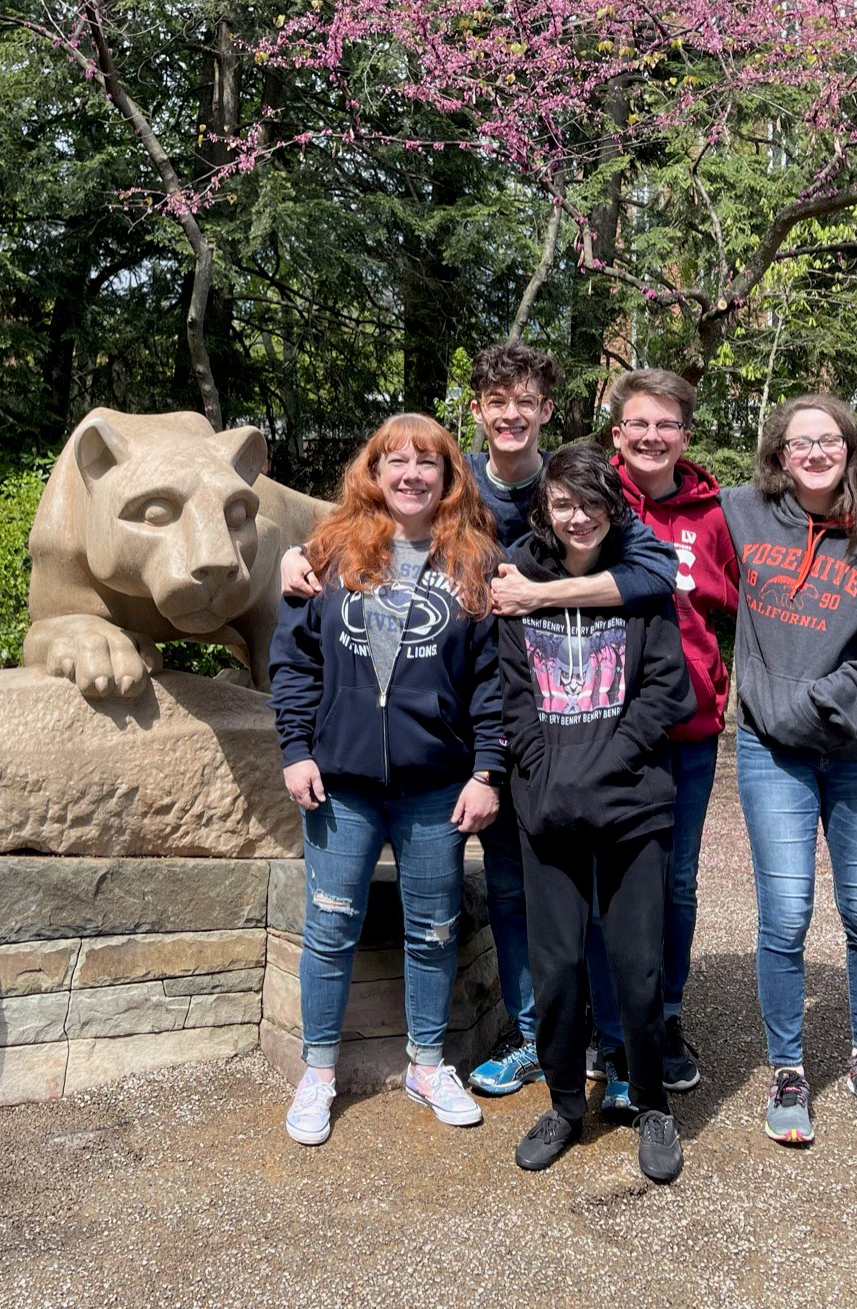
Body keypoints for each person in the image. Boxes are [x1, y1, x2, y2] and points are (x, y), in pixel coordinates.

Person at [279, 343, 679, 1100]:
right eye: (498, 401)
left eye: (525, 401)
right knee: (512, 894)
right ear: (479, 411)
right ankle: (536, 1034)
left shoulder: (567, 483)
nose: (511, 414)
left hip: (560, 742)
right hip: (490, 749)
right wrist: (296, 557)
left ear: (545, 411)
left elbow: (653, 572)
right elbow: (344, 562)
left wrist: (537, 600)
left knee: (601, 900)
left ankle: (613, 1041)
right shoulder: (434, 479)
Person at [268, 414, 507, 1146]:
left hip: (436, 785)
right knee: (331, 924)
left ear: (447, 475)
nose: (409, 474)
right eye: (393, 461)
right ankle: (317, 1072)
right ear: (371, 472)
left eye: (425, 463)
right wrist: (295, 749)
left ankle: (427, 1063)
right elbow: (294, 662)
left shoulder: (475, 562)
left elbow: (493, 680)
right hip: (339, 782)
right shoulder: (328, 552)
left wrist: (486, 769)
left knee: (433, 929)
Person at [721, 393, 857, 1146]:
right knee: (785, 913)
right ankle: (787, 1068)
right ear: (777, 451)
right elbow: (646, 519)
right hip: (770, 753)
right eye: (799, 440)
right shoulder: (740, 513)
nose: (813, 451)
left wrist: (802, 707)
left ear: (849, 447)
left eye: (826, 438)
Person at [498, 441, 695, 1184]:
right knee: (554, 970)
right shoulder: (517, 586)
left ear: (612, 508)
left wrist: (606, 765)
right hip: (545, 805)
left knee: (636, 967)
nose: (577, 516)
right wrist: (546, 776)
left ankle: (649, 1104)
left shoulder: (639, 591)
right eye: (562, 503)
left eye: (590, 503)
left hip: (632, 805)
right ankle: (560, 1103)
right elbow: (511, 693)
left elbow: (664, 692)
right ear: (546, 510)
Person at [583, 370, 739, 1107]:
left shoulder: (716, 514)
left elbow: (755, 598)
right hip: (598, 726)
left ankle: (666, 1015)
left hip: (687, 729)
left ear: (684, 433)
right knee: (599, 877)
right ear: (616, 431)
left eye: (665, 424)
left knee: (675, 879)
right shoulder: (589, 498)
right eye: (637, 423)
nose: (650, 436)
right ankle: (605, 1021)